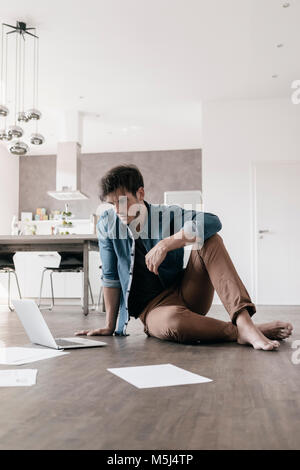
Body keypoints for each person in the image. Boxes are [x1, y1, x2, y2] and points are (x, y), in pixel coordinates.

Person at [75, 164, 293, 351]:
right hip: (154, 310)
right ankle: (243, 331)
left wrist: (166, 243)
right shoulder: (107, 223)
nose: (117, 210)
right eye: (111, 204)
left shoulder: (166, 214)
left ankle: (244, 322)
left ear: (140, 194)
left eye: (122, 202)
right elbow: (111, 276)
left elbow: (213, 222)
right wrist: (109, 326)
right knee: (173, 322)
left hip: (186, 292)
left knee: (210, 239)